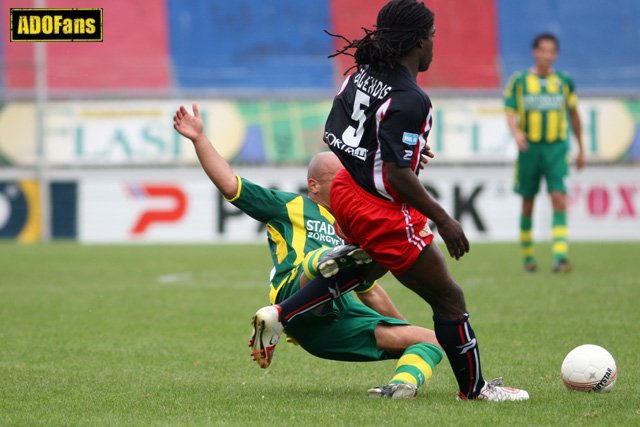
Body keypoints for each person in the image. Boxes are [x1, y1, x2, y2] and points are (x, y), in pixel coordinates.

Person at [320, 0, 527, 401]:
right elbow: (397, 176)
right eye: (432, 36)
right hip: (379, 206)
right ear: (418, 41)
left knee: (375, 264)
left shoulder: (360, 75)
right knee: (449, 297)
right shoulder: (411, 98)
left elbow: (337, 132)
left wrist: (397, 153)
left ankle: (289, 308)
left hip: (347, 190)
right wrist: (445, 219)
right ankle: (476, 390)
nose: (435, 43)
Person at [173, 103, 444, 399]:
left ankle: (400, 387)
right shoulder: (292, 206)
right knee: (333, 258)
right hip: (294, 293)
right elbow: (230, 185)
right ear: (313, 186)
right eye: (340, 180)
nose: (348, 185)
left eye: (350, 180)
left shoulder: (351, 221)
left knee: (431, 340)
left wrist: (400, 329)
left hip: (331, 325)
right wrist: (199, 139)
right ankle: (315, 275)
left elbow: (371, 291)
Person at [504, 32, 585, 273]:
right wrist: (516, 132)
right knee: (528, 202)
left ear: (555, 54)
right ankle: (528, 258)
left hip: (557, 149)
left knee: (558, 199)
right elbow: (509, 111)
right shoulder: (519, 81)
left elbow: (574, 114)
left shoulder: (564, 81)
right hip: (529, 149)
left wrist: (581, 148)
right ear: (535, 52)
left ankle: (560, 257)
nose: (547, 55)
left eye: (551, 51)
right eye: (543, 50)